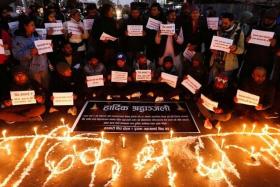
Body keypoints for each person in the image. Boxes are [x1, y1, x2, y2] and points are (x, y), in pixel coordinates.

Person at [241, 9, 280, 82]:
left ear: (274, 19)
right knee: (245, 79)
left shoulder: (278, 30)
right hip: (250, 60)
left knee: (259, 82)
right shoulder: (255, 26)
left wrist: (275, 45)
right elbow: (244, 44)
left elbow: (277, 52)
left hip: (265, 62)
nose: (267, 20)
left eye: (270, 19)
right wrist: (246, 41)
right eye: (265, 18)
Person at [12, 15, 49, 89]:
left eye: (34, 25)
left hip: (42, 66)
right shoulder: (17, 39)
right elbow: (16, 55)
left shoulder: (36, 35)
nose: (34, 27)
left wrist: (47, 47)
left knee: (45, 85)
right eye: (32, 25)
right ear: (25, 26)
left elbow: (42, 46)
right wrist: (30, 52)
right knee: (36, 87)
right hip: (30, 68)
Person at [209, 12, 244, 82]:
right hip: (215, 62)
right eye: (222, 22)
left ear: (232, 22)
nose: (223, 25)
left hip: (228, 65)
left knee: (222, 84)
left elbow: (242, 50)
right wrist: (212, 49)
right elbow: (212, 43)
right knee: (212, 82)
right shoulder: (217, 29)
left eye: (226, 23)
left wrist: (235, 49)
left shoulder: (239, 33)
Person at [155, 9, 184, 76]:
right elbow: (157, 42)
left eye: (175, 15)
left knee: (177, 69)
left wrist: (175, 35)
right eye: (171, 15)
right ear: (167, 16)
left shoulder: (178, 26)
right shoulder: (161, 26)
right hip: (163, 52)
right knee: (162, 70)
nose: (174, 17)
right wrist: (159, 34)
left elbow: (181, 41)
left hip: (175, 53)